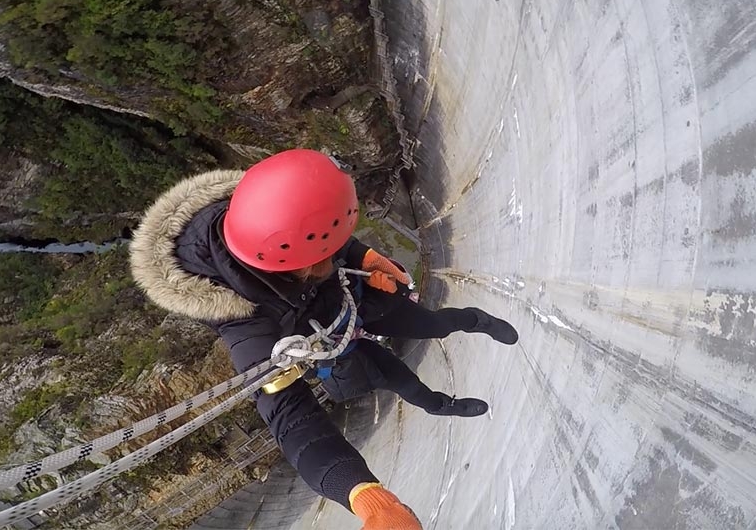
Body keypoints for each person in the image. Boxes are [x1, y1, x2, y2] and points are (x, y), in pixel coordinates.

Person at [130, 149, 518, 529]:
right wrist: (365, 496)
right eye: (317, 260)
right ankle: (439, 404)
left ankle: (472, 320)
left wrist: (363, 256)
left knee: (430, 324)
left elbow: (318, 238)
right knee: (398, 379)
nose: (328, 264)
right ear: (272, 258)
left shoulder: (267, 215)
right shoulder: (245, 326)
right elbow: (291, 420)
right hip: (333, 342)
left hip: (354, 303)